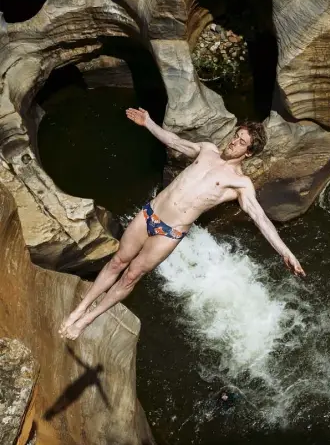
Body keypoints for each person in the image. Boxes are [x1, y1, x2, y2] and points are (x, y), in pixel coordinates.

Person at [59, 108, 305, 340]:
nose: (234, 142)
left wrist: (285, 251)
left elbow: (260, 218)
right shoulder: (207, 150)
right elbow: (175, 142)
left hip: (169, 233)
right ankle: (79, 309)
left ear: (249, 153)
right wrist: (148, 123)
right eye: (236, 136)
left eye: (241, 142)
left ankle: (87, 319)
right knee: (117, 262)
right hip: (149, 215)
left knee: (130, 277)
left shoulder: (240, 184)